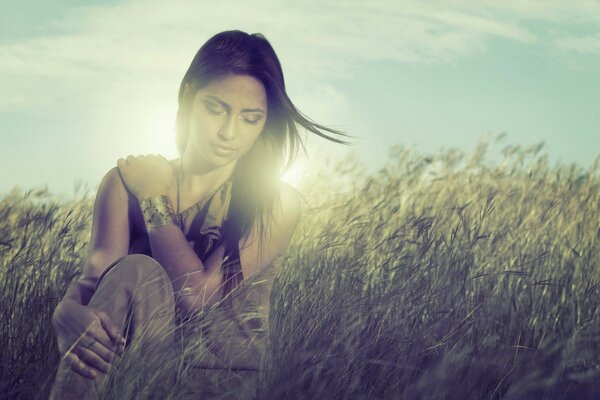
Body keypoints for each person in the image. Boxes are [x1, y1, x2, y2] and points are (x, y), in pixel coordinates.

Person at [48, 30, 349, 399]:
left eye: (250, 118)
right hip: (126, 367)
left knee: (141, 271)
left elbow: (197, 296)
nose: (228, 132)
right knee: (133, 273)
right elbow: (98, 279)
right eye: (216, 108)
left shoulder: (275, 201)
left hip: (216, 382)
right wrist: (65, 312)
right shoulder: (124, 182)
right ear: (189, 94)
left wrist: (154, 199)